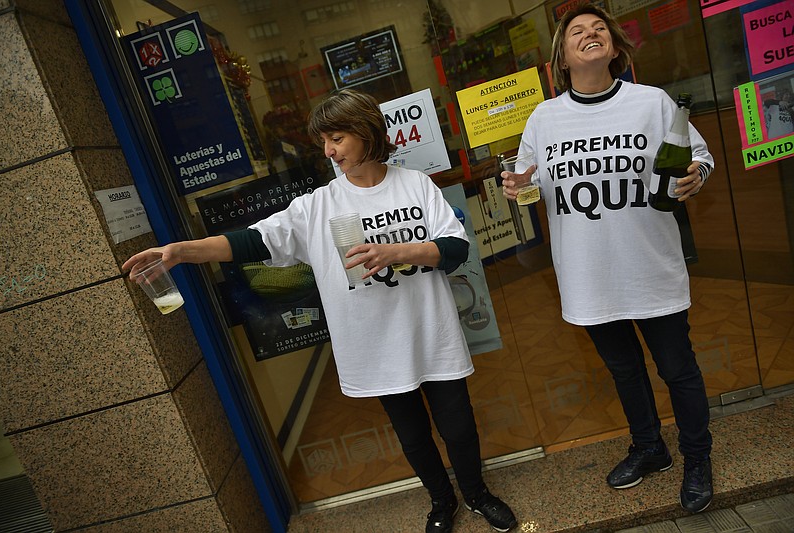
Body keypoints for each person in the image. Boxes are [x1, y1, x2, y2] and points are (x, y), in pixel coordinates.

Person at [123, 89, 518, 533]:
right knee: (412, 435)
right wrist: (181, 250)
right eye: (324, 142)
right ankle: (441, 503)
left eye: (337, 138)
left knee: (459, 427)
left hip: (432, 331)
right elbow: (252, 240)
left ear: (367, 133)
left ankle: (477, 494)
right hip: (377, 343)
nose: (329, 151)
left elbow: (455, 248)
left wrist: (398, 251)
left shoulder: (414, 183)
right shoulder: (318, 205)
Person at [502, 3, 715, 514]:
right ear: (563, 56)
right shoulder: (544, 118)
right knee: (624, 371)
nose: (590, 34)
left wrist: (695, 176)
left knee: (677, 369)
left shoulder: (652, 102)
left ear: (614, 48)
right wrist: (517, 186)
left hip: (650, 264)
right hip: (588, 272)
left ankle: (697, 458)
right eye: (577, 31)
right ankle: (650, 448)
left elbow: (699, 157)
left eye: (600, 28)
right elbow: (525, 178)